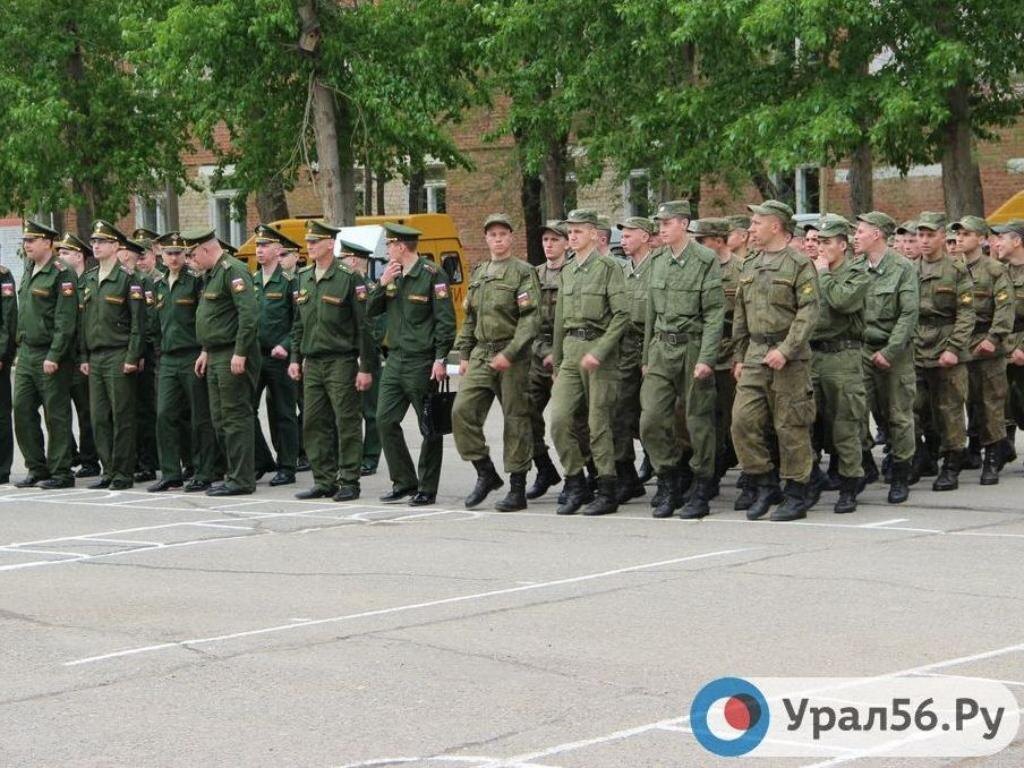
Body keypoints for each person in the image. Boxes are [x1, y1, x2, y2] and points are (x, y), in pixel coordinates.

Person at [731, 200, 821, 521]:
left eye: (757, 223)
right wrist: (739, 355)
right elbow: (741, 314)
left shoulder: (798, 264)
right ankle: (763, 481)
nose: (751, 228)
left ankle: (797, 491)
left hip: (789, 357)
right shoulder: (751, 263)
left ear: (776, 226)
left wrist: (786, 350)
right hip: (755, 354)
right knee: (742, 421)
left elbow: (808, 313)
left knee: (790, 425)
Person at [639, 202, 725, 519]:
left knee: (697, 419)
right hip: (662, 348)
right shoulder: (657, 260)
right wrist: (648, 354)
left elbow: (715, 313)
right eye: (659, 223)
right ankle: (669, 478)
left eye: (667, 222)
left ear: (684, 224)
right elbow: (651, 311)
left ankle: (701, 485)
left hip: (692, 347)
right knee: (650, 419)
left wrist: (707, 357)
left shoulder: (705, 259)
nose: (661, 228)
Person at [452, 213, 540, 511]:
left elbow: (530, 320)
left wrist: (511, 353)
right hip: (481, 352)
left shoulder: (523, 272)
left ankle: (517, 488)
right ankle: (485, 473)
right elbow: (470, 317)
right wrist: (464, 354)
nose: (498, 239)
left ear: (511, 238)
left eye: (503, 234)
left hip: (512, 355)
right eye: (492, 234)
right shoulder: (480, 273)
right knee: (462, 411)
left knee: (516, 420)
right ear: (486, 238)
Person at [367, 222, 456, 506]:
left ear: (401, 247)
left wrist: (441, 358)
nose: (387, 251)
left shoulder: (432, 274)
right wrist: (381, 284)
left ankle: (427, 486)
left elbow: (445, 321)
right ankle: (404, 480)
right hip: (394, 359)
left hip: (421, 360)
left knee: (428, 425)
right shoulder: (392, 275)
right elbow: (369, 310)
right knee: (384, 419)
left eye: (390, 245)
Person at [549, 208, 630, 515]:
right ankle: (574, 481)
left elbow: (622, 315)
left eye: (579, 231)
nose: (572, 236)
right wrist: (557, 363)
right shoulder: (568, 271)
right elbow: (559, 321)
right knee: (559, 420)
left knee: (598, 424)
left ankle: (607, 488)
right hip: (571, 351)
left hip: (600, 351)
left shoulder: (609, 267)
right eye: (570, 232)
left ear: (595, 235)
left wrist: (601, 350)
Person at [290, 223, 375, 501]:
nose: (310, 246)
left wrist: (365, 367)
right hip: (312, 362)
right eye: (308, 241)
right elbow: (298, 324)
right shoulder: (302, 277)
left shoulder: (348, 277)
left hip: (341, 360)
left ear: (330, 244)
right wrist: (295, 357)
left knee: (346, 421)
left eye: (315, 241)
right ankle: (323, 479)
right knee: (313, 422)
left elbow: (364, 326)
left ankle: (349, 480)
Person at [187, 228, 260, 496]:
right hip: (216, 353)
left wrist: (241, 352)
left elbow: (249, 315)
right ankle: (233, 473)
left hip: (232, 353)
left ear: (207, 250)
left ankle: (242, 479)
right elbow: (214, 316)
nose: (192, 260)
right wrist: (205, 349)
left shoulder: (233, 270)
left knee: (235, 417)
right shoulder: (212, 274)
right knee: (220, 418)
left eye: (194, 254)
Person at [853, 212, 919, 504]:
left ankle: (901, 472)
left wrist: (890, 351)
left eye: (860, 231)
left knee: (898, 414)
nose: (855, 236)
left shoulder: (902, 268)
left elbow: (908, 314)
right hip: (860, 350)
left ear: (877, 234)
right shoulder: (855, 267)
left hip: (895, 351)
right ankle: (865, 463)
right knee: (854, 411)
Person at [147, 232, 219, 492]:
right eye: (169, 253)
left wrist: (205, 349)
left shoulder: (196, 282)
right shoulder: (158, 286)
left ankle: (204, 470)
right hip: (167, 358)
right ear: (161, 256)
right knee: (165, 414)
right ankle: (170, 472)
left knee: (200, 417)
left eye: (179, 253)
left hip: (192, 355)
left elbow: (205, 318)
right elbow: (154, 325)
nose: (174, 257)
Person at [79, 221, 146, 490]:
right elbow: (83, 322)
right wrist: (83, 356)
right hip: (96, 356)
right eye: (94, 242)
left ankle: (122, 472)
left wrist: (132, 356)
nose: (95, 246)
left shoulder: (129, 279)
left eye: (102, 242)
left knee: (122, 416)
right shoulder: (89, 279)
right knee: (99, 417)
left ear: (116, 246)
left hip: (119, 354)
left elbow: (138, 324)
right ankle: (108, 469)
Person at [808, 218, 869, 513]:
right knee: (806, 421)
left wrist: (823, 275)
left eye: (827, 242)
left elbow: (843, 302)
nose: (821, 248)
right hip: (813, 355)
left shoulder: (856, 273)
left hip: (843, 355)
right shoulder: (812, 272)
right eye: (818, 242)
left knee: (845, 422)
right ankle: (810, 479)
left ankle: (849, 483)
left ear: (843, 245)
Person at [913, 211, 975, 491]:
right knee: (915, 406)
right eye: (920, 235)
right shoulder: (910, 269)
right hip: (916, 344)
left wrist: (953, 348)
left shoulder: (957, 270)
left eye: (929, 235)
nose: (924, 241)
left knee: (949, 408)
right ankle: (924, 454)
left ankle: (952, 461)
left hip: (947, 343)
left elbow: (966, 313)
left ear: (941, 237)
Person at [13, 221, 78, 488]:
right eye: (25, 240)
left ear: (48, 243)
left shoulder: (62, 272)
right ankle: (36, 467)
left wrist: (55, 354)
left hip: (50, 354)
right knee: (22, 410)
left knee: (56, 413)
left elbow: (66, 320)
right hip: (27, 353)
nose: (27, 245)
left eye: (32, 240)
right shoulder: (29, 268)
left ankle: (61, 471)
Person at [953, 216, 1014, 483]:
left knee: (991, 402)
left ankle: (993, 456)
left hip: (987, 344)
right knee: (969, 401)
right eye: (958, 234)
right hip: (961, 344)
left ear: (981, 239)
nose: (960, 238)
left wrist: (994, 338)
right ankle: (979, 448)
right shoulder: (953, 269)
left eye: (967, 234)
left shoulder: (994, 270)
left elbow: (1005, 308)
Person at [690, 218, 742, 488]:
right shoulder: (696, 270)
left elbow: (745, 320)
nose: (695, 245)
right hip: (701, 354)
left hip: (729, 356)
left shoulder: (741, 271)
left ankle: (742, 466)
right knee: (702, 418)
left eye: (701, 241)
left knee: (733, 419)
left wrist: (739, 357)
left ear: (719, 241)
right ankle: (709, 470)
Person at [251, 223, 302, 487]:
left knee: (284, 412)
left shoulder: (290, 282)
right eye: (258, 246)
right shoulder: (252, 281)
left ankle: (287, 466)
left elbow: (299, 320)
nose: (260, 250)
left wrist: (286, 345)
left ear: (278, 249)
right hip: (255, 356)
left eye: (265, 245)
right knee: (246, 410)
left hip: (280, 358)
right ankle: (260, 460)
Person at [612, 216, 657, 504]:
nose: (624, 241)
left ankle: (667, 469)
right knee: (618, 412)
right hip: (625, 350)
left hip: (653, 348)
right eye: (623, 236)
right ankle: (626, 474)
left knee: (655, 415)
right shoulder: (620, 271)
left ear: (645, 237)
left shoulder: (659, 267)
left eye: (629, 236)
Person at [526, 220, 571, 499]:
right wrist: (543, 351)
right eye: (545, 240)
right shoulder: (534, 275)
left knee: (568, 421)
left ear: (567, 243)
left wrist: (559, 354)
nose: (549, 245)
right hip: (537, 355)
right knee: (523, 414)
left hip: (567, 356)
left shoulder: (575, 273)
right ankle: (544, 467)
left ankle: (580, 476)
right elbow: (526, 319)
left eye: (555, 239)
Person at [55, 232, 101, 478]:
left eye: (65, 252)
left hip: (83, 357)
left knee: (86, 411)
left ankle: (90, 460)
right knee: (59, 410)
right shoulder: (61, 281)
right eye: (59, 252)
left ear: (79, 255)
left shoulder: (89, 282)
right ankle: (70, 455)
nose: (60, 257)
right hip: (64, 355)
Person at [338, 237, 385, 476]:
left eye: (343, 258)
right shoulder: (347, 286)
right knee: (349, 409)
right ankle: (352, 455)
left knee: (371, 410)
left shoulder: (369, 290)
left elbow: (375, 327)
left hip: (367, 357)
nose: (340, 263)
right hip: (347, 356)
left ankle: (370, 456)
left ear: (354, 260)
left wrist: (364, 354)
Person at [131, 229, 162, 482]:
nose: (140, 261)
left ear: (154, 254)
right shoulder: (135, 279)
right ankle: (143, 458)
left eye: (144, 256)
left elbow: (151, 319)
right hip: (143, 350)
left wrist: (145, 349)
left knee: (150, 408)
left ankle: (151, 458)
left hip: (152, 352)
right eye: (136, 256)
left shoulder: (155, 280)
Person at [994, 221, 1024, 462]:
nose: (996, 243)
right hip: (1004, 342)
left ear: (1017, 241)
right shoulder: (998, 272)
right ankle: (1006, 447)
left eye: (1001, 238)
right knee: (1002, 399)